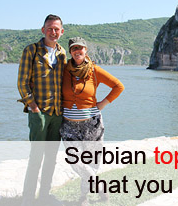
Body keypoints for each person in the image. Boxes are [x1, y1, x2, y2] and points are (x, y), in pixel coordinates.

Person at [60, 37, 125, 206]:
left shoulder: (94, 70)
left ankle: (83, 198)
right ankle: (101, 186)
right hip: (69, 125)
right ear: (70, 51)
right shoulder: (64, 70)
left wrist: (102, 104)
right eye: (74, 48)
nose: (77, 51)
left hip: (92, 125)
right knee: (75, 160)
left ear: (86, 50)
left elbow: (118, 86)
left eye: (80, 48)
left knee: (92, 162)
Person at [17, 14, 66, 206]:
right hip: (39, 113)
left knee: (51, 158)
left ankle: (45, 196)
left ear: (62, 32)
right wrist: (33, 107)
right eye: (50, 28)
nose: (53, 32)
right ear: (43, 30)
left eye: (57, 29)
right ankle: (28, 199)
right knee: (36, 157)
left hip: (57, 114)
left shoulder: (63, 53)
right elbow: (22, 82)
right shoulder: (31, 50)